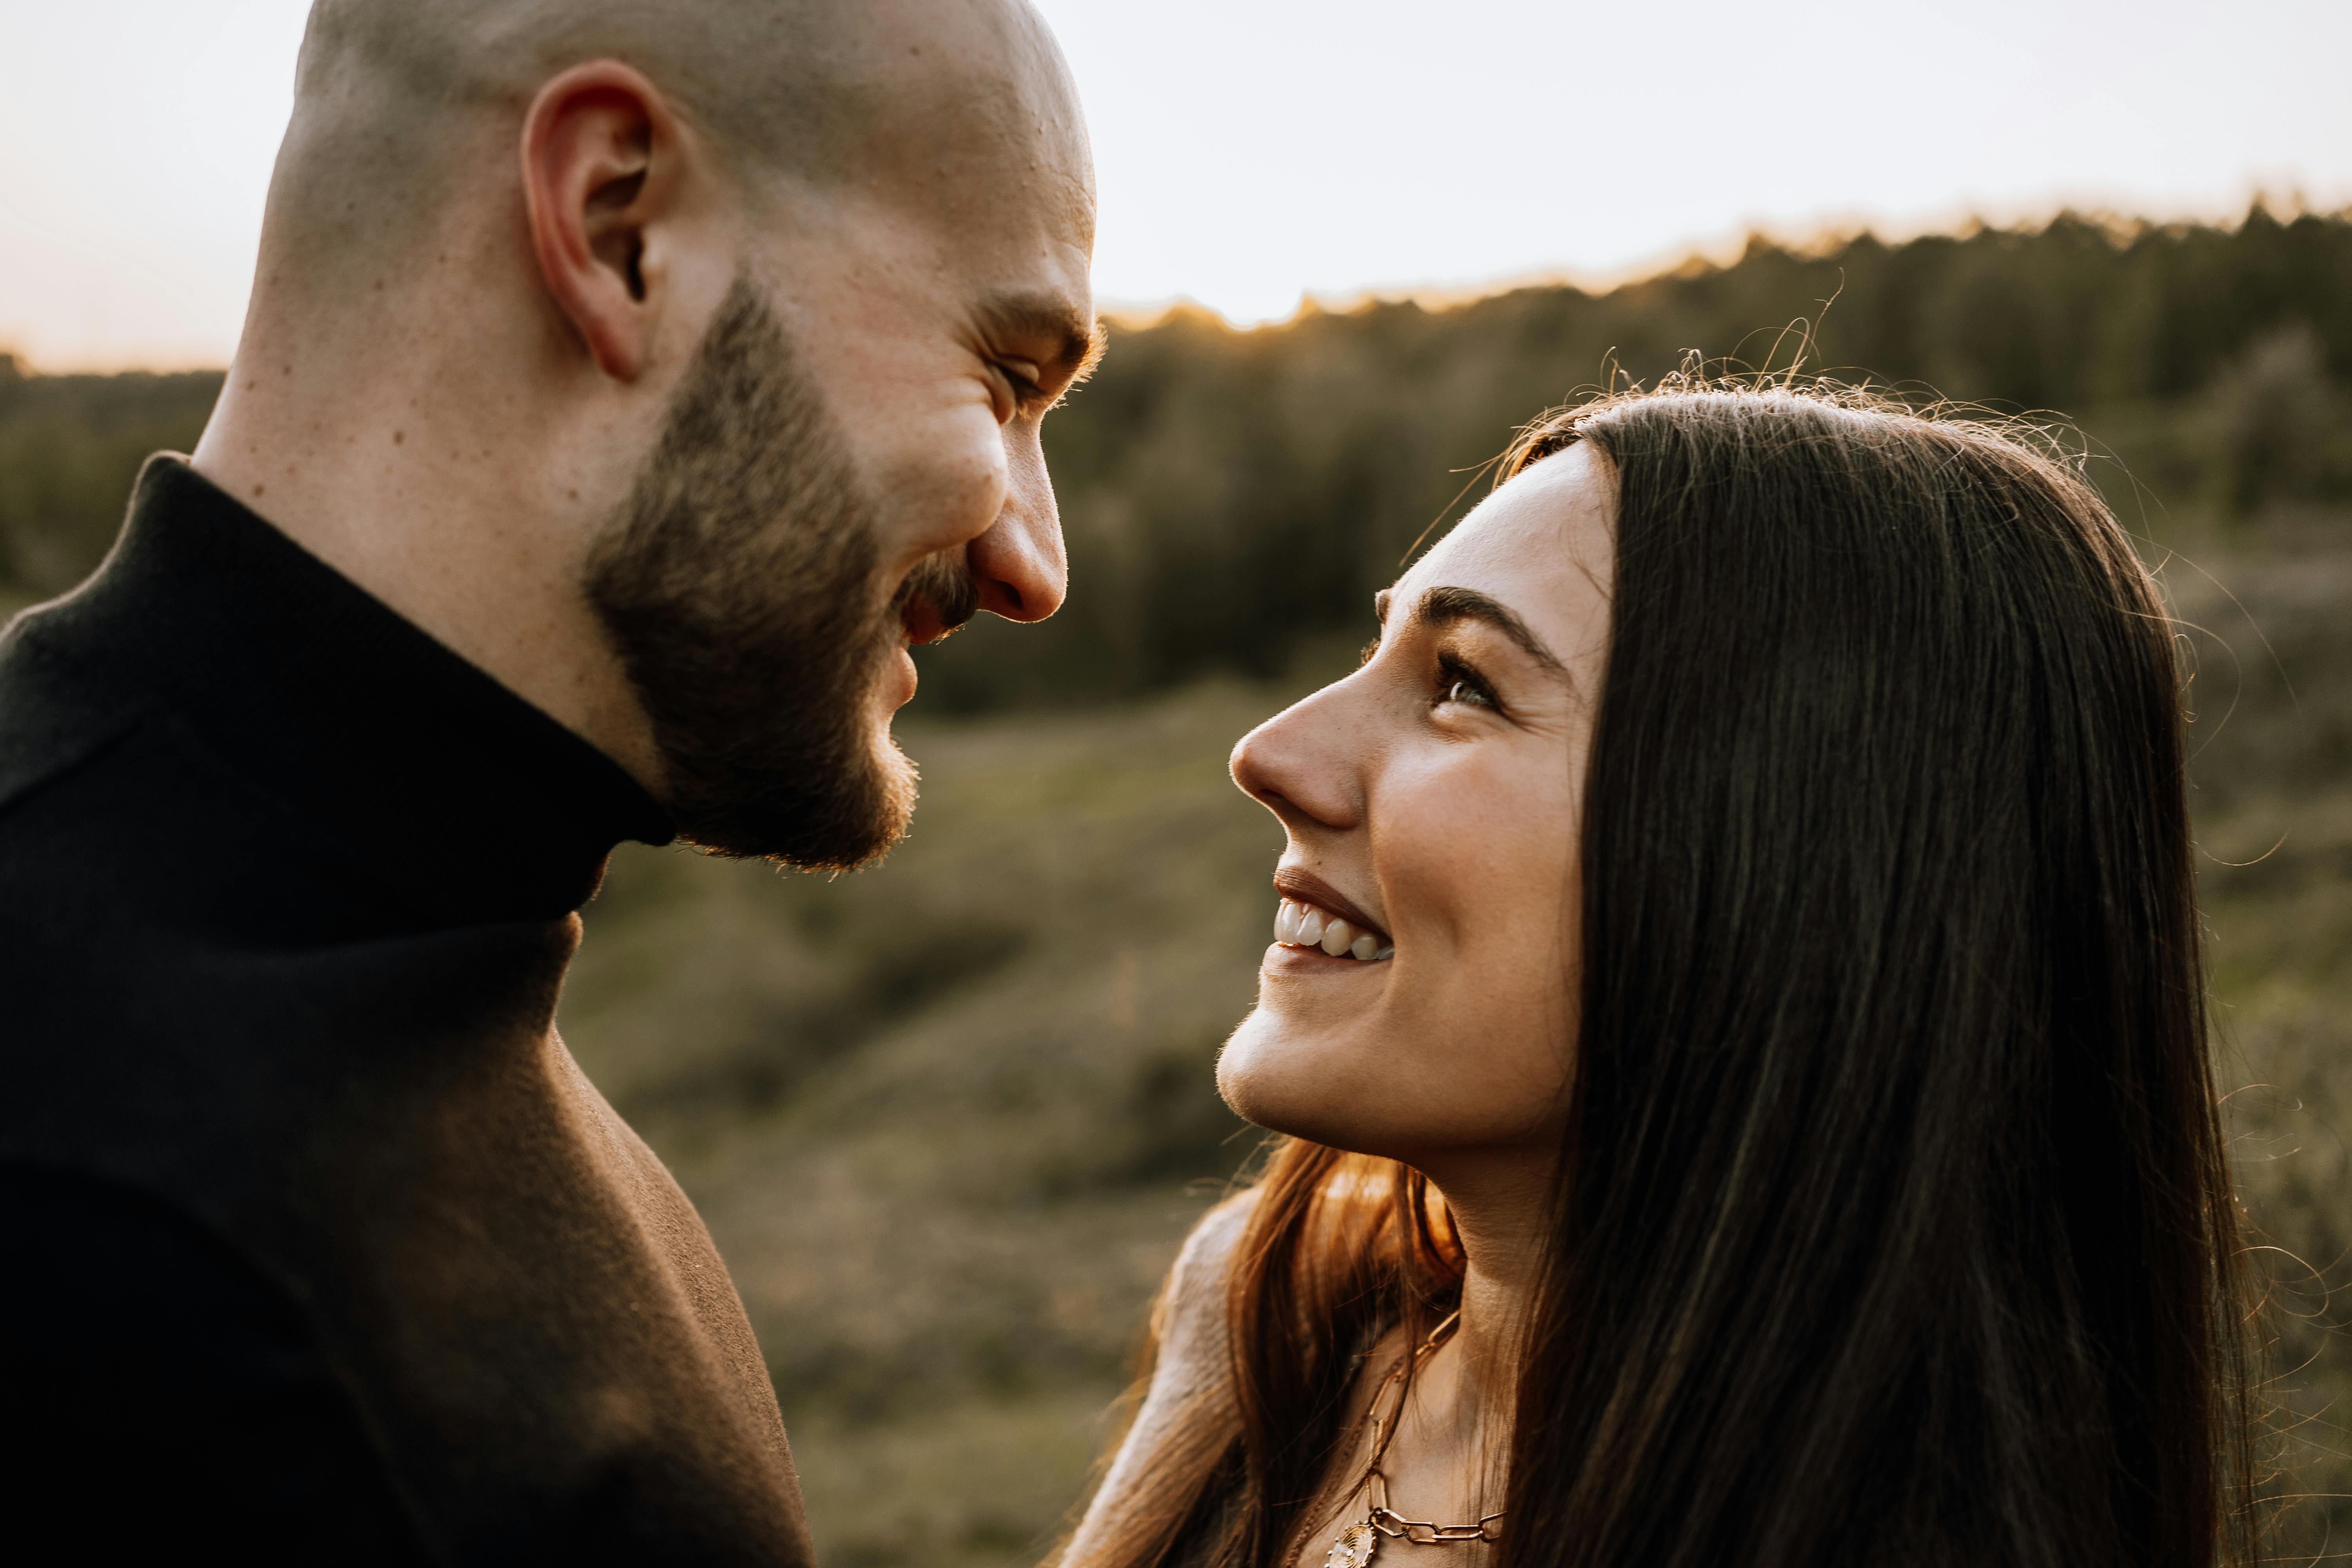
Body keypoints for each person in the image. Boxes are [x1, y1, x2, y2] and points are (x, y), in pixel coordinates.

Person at [0, 0, 1096, 1558]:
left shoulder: (401, 1012)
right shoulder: (123, 1246)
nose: (1034, 560)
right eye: (1004, 377)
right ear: (616, 226)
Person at [1064, 383, 2260, 1568]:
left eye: (1464, 683)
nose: (1272, 753)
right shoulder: (1267, 1329)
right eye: (1374, 649)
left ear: (1790, 862)